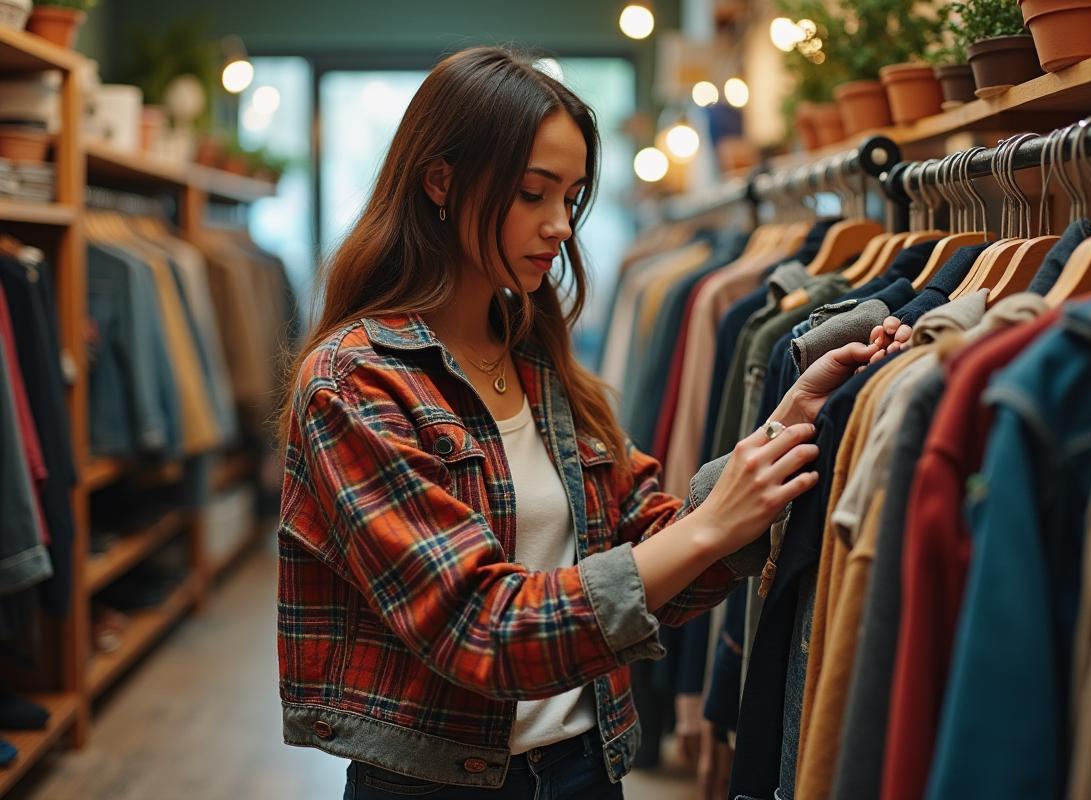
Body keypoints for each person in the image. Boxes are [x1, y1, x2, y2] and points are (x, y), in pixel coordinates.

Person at [277, 46, 878, 800]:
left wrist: (783, 430)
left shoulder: (532, 356)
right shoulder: (354, 381)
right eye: (533, 193)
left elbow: (652, 560)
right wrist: (707, 528)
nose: (561, 225)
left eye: (573, 196)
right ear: (441, 181)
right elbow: (482, 629)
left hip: (588, 767)